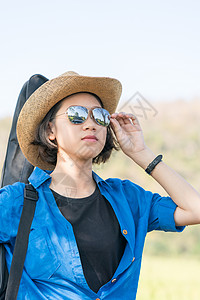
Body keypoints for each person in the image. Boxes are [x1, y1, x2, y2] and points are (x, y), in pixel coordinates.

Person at [1, 71, 200, 300]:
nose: (90, 124)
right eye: (76, 115)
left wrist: (141, 153)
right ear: (50, 131)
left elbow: (194, 209)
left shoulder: (128, 198)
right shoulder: (16, 202)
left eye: (100, 116)